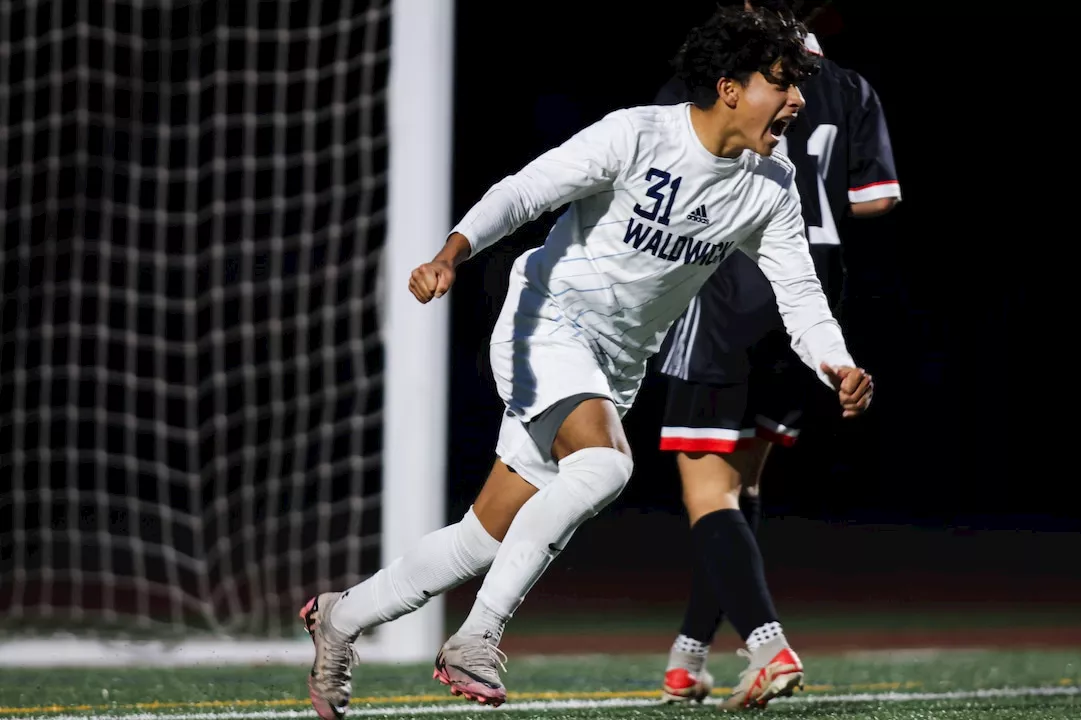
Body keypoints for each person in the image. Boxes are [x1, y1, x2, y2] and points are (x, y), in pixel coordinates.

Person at [296, 6, 873, 718]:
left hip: (614, 366)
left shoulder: (770, 185)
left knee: (483, 538)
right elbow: (524, 191)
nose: (797, 102)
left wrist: (836, 362)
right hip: (547, 323)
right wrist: (452, 253)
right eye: (782, 85)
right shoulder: (638, 134)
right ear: (729, 88)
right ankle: (477, 637)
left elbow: (800, 292)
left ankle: (342, 617)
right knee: (605, 466)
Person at [650, 0, 902, 707]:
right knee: (739, 486)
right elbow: (876, 199)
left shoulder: (723, 75)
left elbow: (665, 165)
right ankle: (688, 654)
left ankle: (767, 645)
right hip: (814, 291)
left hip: (730, 283)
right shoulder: (847, 85)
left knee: (706, 488)